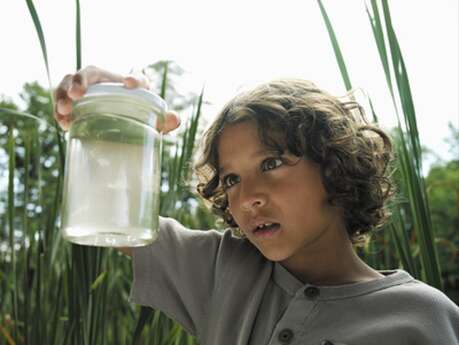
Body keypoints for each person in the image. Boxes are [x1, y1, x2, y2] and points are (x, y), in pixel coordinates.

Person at [54, 66, 459, 345]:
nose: (247, 198)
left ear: (335, 166)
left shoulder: (423, 317)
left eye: (271, 163)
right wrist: (110, 110)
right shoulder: (221, 270)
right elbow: (114, 217)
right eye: (231, 179)